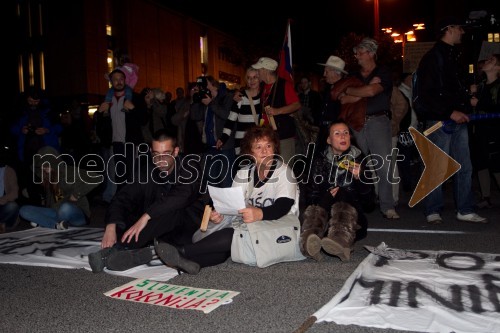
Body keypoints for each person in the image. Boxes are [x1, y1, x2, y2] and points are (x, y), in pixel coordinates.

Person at [174, 126, 301, 269]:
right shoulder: (243, 173)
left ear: (275, 149)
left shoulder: (284, 172)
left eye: (268, 146)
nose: (264, 151)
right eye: (258, 147)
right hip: (253, 227)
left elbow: (283, 207)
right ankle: (194, 263)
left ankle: (183, 251)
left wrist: (259, 213)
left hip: (280, 228)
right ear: (250, 151)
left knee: (234, 235)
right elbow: (233, 205)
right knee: (233, 243)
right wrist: (220, 215)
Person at [88, 129, 201, 274]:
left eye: (166, 154)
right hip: (157, 229)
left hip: (187, 224)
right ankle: (149, 252)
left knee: (169, 211)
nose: (160, 160)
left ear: (176, 151)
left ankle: (119, 250)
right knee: (131, 219)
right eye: (156, 155)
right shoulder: (147, 170)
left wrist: (147, 216)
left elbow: (182, 196)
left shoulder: (190, 166)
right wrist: (111, 226)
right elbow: (123, 196)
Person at [415, 16, 487, 224]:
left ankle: (464, 209)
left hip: (457, 119)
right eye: (460, 28)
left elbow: (449, 90)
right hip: (440, 121)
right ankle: (432, 209)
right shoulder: (433, 57)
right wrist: (449, 112)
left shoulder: (453, 56)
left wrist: (466, 99)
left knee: (465, 165)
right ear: (449, 29)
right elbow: (427, 94)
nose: (463, 32)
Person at [340, 37, 400, 219]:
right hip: (356, 122)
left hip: (378, 121)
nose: (356, 55)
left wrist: (357, 91)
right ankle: (362, 202)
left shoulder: (383, 71)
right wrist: (362, 90)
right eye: (356, 52)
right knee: (359, 165)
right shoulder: (353, 75)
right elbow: (343, 98)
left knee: (383, 165)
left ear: (371, 53)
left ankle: (387, 206)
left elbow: (373, 92)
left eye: (360, 52)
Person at [300, 121, 373, 261]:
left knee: (343, 194)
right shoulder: (318, 161)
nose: (343, 137)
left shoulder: (360, 160)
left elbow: (369, 204)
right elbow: (310, 197)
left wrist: (361, 178)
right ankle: (309, 243)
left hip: (353, 222)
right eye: (337, 133)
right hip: (325, 217)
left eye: (346, 133)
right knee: (315, 209)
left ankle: (340, 243)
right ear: (328, 139)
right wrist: (325, 199)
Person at [18, 146, 98, 230]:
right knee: (24, 210)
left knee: (65, 207)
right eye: (42, 165)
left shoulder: (67, 173)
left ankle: (44, 223)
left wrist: (76, 194)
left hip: (75, 212)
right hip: (55, 211)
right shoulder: (46, 177)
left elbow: (96, 178)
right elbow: (57, 199)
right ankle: (56, 225)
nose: (44, 167)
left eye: (47, 164)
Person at [94, 68, 144, 195]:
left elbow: (144, 119)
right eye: (115, 79)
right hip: (115, 144)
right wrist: (100, 113)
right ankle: (122, 204)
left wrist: (132, 108)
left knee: (133, 175)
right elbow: (99, 124)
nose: (119, 81)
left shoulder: (135, 98)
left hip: (131, 143)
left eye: (121, 79)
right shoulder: (107, 100)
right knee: (119, 175)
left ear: (125, 80)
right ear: (111, 81)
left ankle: (133, 203)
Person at [252, 57, 301, 164]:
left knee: (285, 169)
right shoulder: (263, 86)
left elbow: (296, 105)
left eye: (259, 70)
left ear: (265, 70)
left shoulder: (284, 85)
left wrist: (277, 111)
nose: (257, 73)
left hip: (283, 138)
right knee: (269, 170)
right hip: (268, 137)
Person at [190, 76, 235, 189]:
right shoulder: (205, 97)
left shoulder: (227, 97)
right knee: (210, 183)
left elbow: (227, 115)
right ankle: (212, 206)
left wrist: (211, 103)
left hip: (225, 146)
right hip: (209, 147)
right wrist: (194, 99)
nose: (203, 87)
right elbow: (195, 116)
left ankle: (229, 206)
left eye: (206, 84)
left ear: (214, 84)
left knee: (225, 182)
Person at [469, 54, 500, 208]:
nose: (487, 62)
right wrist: (473, 94)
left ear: (498, 67)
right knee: (481, 162)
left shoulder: (498, 86)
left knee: (496, 163)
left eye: (491, 61)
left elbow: (495, 107)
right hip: (480, 129)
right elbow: (473, 107)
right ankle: (485, 197)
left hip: (495, 130)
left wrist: (479, 103)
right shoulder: (481, 85)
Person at [217, 67, 262, 155]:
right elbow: (231, 120)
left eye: (255, 77)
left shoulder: (264, 97)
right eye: (249, 78)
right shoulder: (240, 97)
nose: (251, 80)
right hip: (243, 142)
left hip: (260, 142)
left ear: (260, 78)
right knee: (243, 168)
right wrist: (223, 138)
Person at [316, 56, 349, 156]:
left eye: (327, 71)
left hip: (336, 132)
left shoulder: (346, 89)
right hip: (325, 130)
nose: (324, 74)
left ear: (335, 72)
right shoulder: (328, 88)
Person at [0, 146, 19, 234]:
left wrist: (2, 200)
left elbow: (15, 193)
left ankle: (2, 222)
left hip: (3, 204)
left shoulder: (9, 171)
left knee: (12, 206)